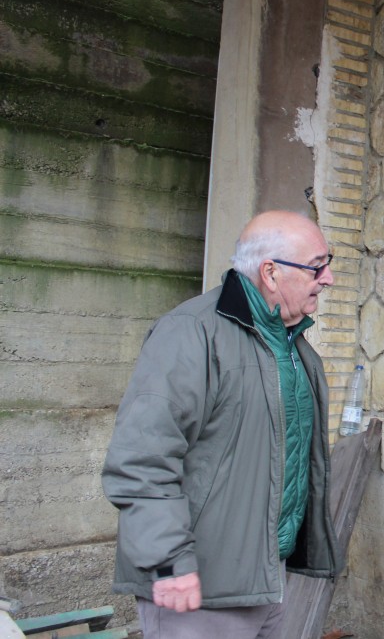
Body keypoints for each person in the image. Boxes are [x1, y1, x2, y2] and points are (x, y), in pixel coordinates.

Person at [102, 210, 340, 638]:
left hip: (267, 581)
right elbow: (141, 459)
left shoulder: (295, 350)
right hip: (199, 591)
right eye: (318, 265)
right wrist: (169, 562)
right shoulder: (190, 333)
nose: (328, 278)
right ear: (270, 272)